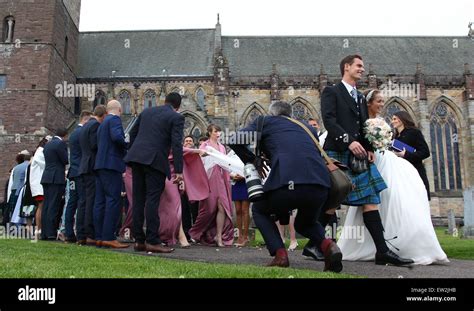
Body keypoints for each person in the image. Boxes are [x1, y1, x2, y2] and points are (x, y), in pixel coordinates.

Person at [320, 54, 413, 266]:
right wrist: (348, 141)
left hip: (360, 156)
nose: (362, 69)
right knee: (333, 202)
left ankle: (382, 252)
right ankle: (323, 245)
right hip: (338, 152)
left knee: (371, 200)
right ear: (346, 67)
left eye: (362, 66)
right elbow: (329, 121)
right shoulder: (331, 91)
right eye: (358, 66)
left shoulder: (361, 97)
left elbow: (363, 125)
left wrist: (370, 147)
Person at [338, 89, 448, 265]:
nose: (382, 104)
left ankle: (398, 243)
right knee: (377, 200)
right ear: (369, 103)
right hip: (375, 161)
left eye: (383, 101)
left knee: (396, 199)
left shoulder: (382, 122)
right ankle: (378, 247)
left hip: (388, 160)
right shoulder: (361, 121)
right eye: (379, 101)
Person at [230, 101, 341, 271]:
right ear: (290, 115)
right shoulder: (308, 128)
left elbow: (235, 140)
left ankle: (280, 254)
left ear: (272, 114)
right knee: (306, 223)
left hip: (287, 180)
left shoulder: (265, 122)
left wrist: (254, 160)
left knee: (260, 210)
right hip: (320, 183)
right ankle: (328, 246)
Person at [125, 92, 184, 254]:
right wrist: (179, 170)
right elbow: (176, 144)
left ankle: (139, 240)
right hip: (155, 161)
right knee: (152, 200)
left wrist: (134, 152)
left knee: (138, 199)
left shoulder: (146, 112)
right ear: (178, 106)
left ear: (164, 101)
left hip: (137, 158)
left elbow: (131, 134)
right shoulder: (176, 117)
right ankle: (152, 240)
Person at [189, 124, 234, 247]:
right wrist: (206, 154)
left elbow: (225, 162)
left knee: (222, 207)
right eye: (215, 131)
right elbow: (200, 158)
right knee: (208, 209)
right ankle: (196, 232)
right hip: (209, 178)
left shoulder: (222, 147)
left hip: (221, 177)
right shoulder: (205, 145)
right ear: (210, 133)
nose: (218, 133)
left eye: (219, 131)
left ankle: (219, 236)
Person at [93, 100, 128, 249]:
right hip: (112, 165)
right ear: (119, 110)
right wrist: (127, 147)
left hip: (100, 165)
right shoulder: (114, 120)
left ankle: (99, 237)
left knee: (100, 202)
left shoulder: (102, 124)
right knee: (113, 200)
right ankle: (108, 237)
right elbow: (117, 138)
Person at [78, 105, 107, 246]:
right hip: (91, 167)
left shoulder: (85, 126)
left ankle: (82, 234)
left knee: (84, 201)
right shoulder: (95, 125)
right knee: (91, 201)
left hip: (84, 166)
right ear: (103, 115)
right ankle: (90, 234)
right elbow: (95, 145)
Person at [64, 111, 91, 243]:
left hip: (73, 172)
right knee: (82, 201)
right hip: (80, 173)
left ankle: (69, 233)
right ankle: (81, 234)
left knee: (71, 202)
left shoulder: (74, 133)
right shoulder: (83, 133)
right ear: (86, 120)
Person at [392, 111, 431, 200]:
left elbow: (425, 152)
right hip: (400, 173)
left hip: (414, 171)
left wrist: (405, 154)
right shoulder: (395, 136)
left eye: (395, 119)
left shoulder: (414, 132)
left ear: (401, 120)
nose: (392, 121)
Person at [40, 128, 68, 240]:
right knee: (53, 205)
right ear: (65, 135)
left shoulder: (48, 144)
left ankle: (44, 233)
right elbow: (65, 160)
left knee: (46, 205)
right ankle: (51, 232)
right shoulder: (60, 143)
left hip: (46, 177)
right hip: (56, 178)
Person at [28, 136, 52, 238]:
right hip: (39, 185)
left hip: (38, 184)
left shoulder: (39, 152)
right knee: (41, 207)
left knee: (41, 207)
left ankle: (40, 229)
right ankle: (39, 229)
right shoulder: (40, 152)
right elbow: (46, 165)